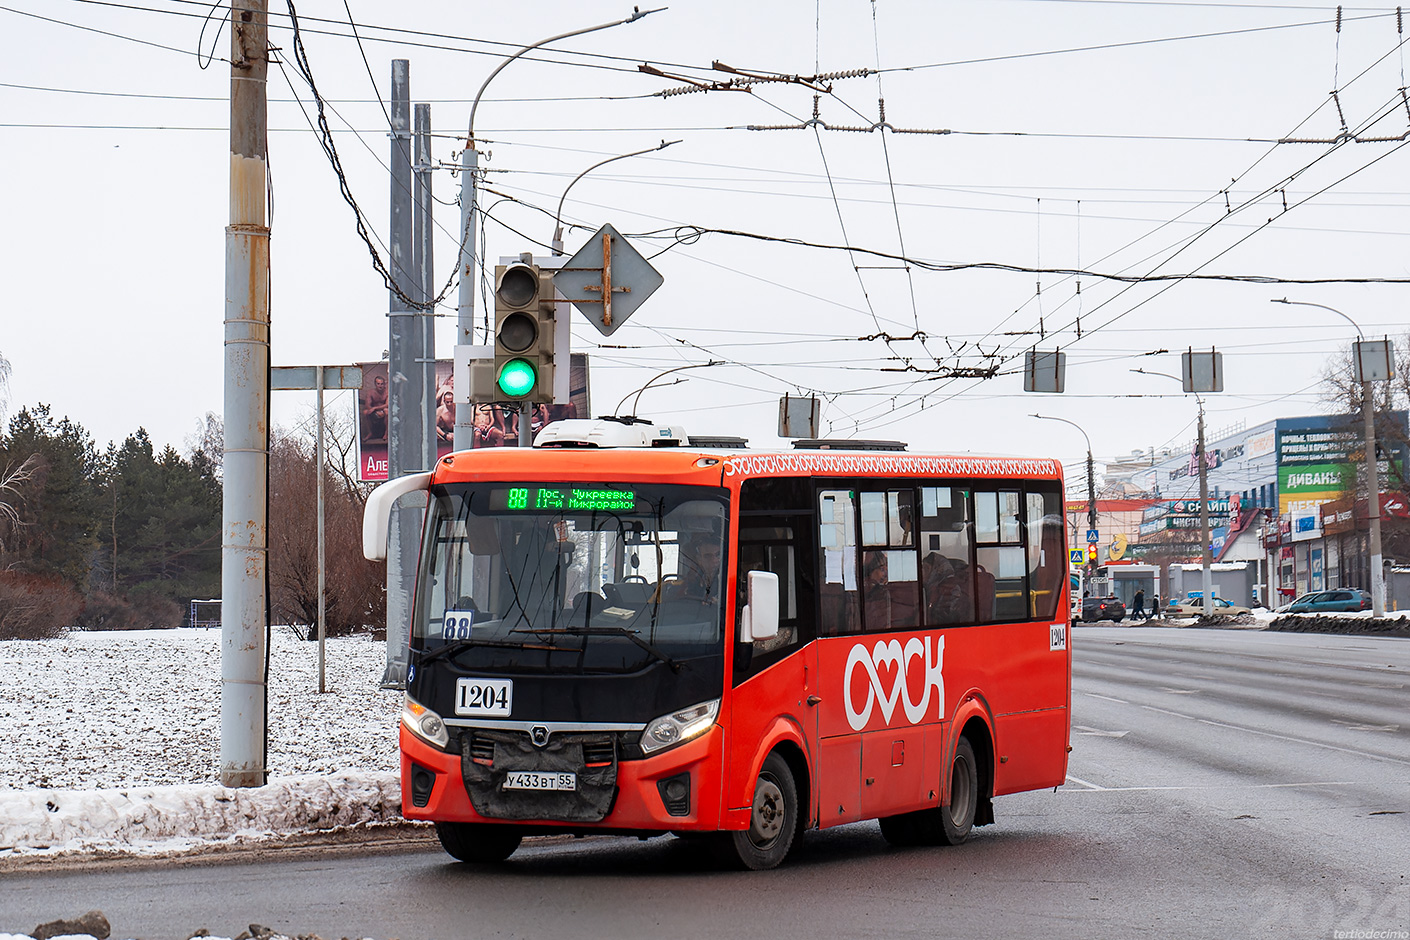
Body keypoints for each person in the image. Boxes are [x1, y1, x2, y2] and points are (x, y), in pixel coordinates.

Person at [361, 373, 388, 443]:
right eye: (378, 384)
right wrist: (374, 410)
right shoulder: (371, 392)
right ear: (375, 384)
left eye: (382, 384)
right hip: (375, 411)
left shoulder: (387, 391)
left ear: (384, 384)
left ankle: (386, 433)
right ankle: (370, 432)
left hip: (384, 410)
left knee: (386, 411)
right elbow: (367, 404)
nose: (380, 386)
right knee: (365, 412)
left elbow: (387, 404)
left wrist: (376, 408)